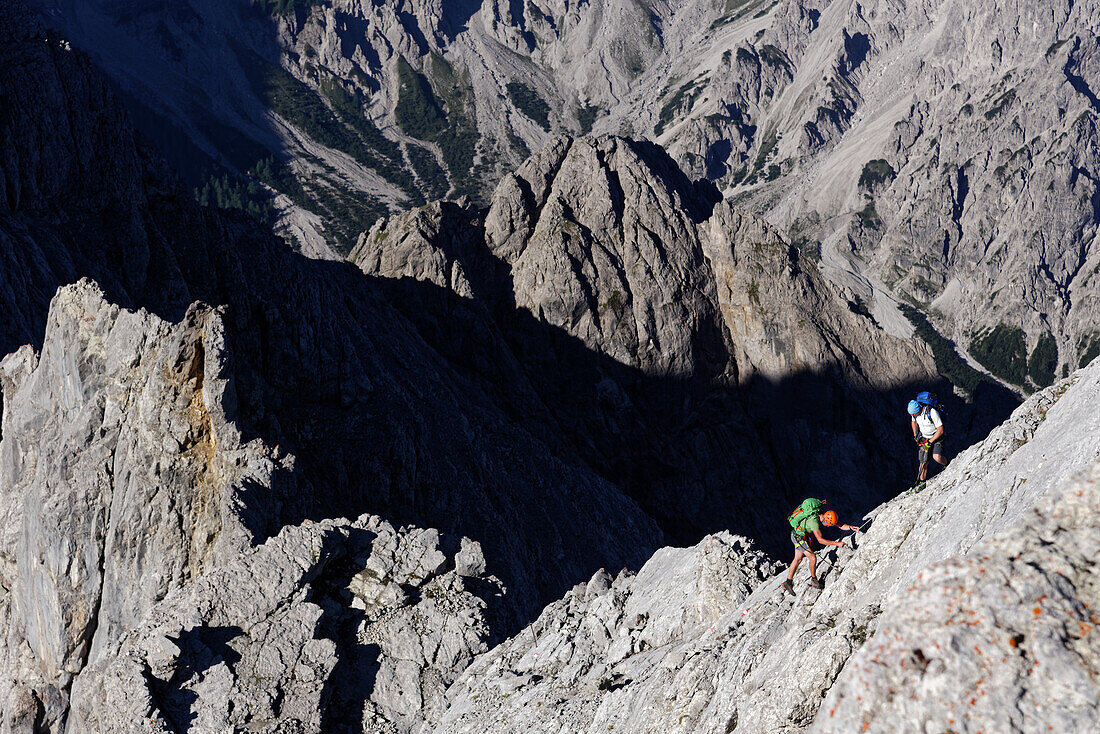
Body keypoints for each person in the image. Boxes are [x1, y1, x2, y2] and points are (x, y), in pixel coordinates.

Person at [781, 505, 860, 592]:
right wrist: (836, 543)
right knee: (812, 558)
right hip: (799, 538)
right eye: (828, 524)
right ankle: (814, 580)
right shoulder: (814, 522)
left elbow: (839, 524)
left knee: (798, 559)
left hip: (798, 535)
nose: (827, 526)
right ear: (826, 519)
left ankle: (788, 582)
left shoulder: (821, 515)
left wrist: (850, 527)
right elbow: (820, 540)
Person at [908, 398, 947, 483]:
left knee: (937, 457)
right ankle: (922, 483)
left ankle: (947, 465)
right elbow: (913, 422)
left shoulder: (932, 412)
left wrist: (929, 442)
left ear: (918, 410)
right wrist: (915, 434)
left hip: (936, 437)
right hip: (924, 438)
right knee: (923, 463)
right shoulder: (915, 415)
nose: (912, 416)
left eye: (913, 414)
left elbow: (940, 430)